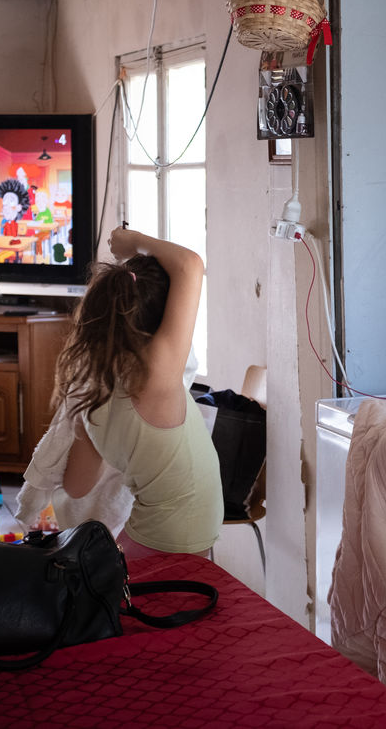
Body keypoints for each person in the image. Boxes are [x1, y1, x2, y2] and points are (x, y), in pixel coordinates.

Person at [60, 227, 223, 559]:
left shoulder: (93, 394)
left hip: (146, 534)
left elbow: (76, 486)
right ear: (165, 318)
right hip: (178, 535)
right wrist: (131, 241)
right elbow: (190, 264)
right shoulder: (156, 377)